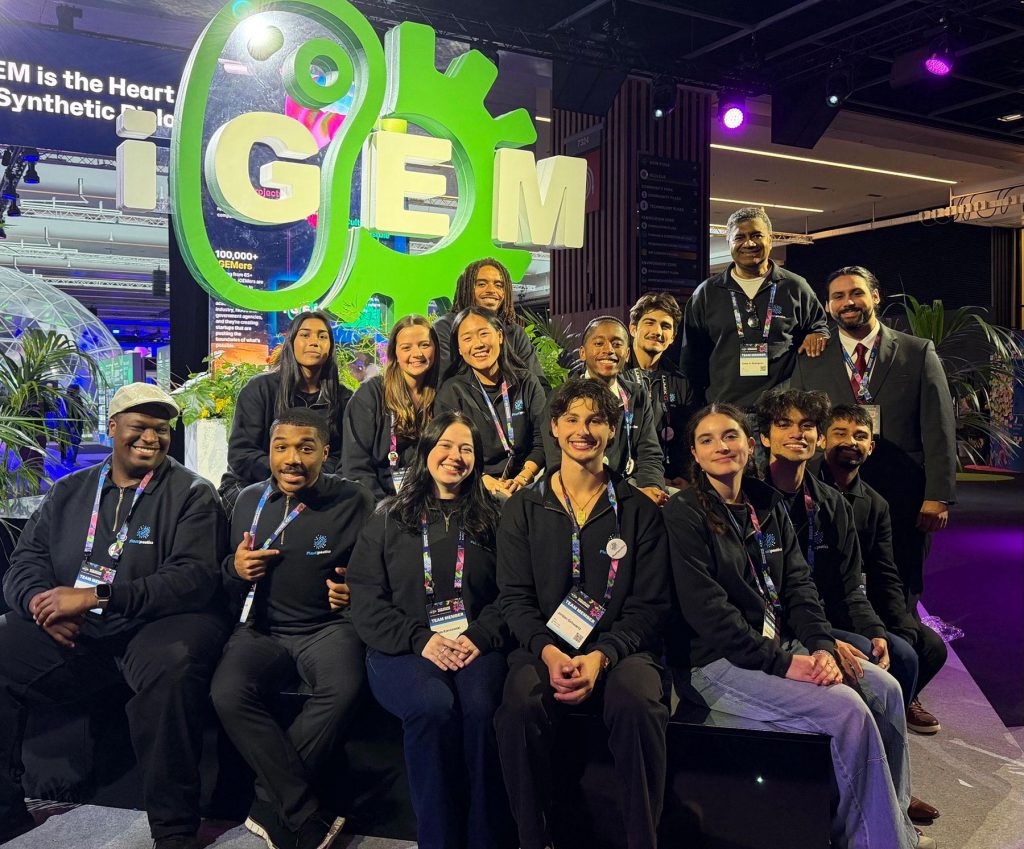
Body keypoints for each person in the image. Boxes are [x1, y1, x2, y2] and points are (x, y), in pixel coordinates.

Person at [663, 402, 932, 849]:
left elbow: (799, 587)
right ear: (694, 453)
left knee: (884, 689)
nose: (721, 446)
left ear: (750, 444)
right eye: (707, 440)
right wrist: (787, 664)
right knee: (847, 711)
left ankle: (894, 824)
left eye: (730, 435)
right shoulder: (684, 513)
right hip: (715, 663)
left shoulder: (766, 504)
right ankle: (879, 843)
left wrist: (821, 646)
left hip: (778, 645)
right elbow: (708, 613)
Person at [0, 383, 230, 849]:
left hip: (156, 625)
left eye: (161, 430)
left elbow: (192, 579)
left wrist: (95, 596)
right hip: (79, 632)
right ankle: (6, 813)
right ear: (112, 428)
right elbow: (24, 564)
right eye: (139, 426)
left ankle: (174, 831)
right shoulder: (69, 491)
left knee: (173, 666)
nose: (151, 438)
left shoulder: (194, 494)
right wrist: (42, 605)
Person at [495, 378, 669, 849]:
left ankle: (642, 841)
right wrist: (549, 652)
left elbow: (649, 605)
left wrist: (602, 655)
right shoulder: (524, 507)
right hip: (546, 647)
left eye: (595, 420)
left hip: (622, 650)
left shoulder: (638, 510)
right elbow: (514, 598)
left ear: (612, 430)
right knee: (519, 706)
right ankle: (534, 840)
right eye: (571, 419)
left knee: (637, 703)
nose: (583, 430)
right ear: (554, 427)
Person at [754, 389, 939, 825]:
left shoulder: (831, 503)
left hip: (814, 619)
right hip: (769, 628)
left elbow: (853, 583)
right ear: (763, 437)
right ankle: (866, 790)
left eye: (806, 426)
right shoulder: (748, 498)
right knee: (864, 680)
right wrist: (823, 641)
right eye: (784, 424)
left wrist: (874, 630)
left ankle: (891, 791)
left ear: (817, 438)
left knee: (892, 664)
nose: (797, 433)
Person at [347, 412, 515, 849]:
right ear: (425, 452)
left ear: (477, 460)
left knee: (482, 708)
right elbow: (366, 597)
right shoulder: (388, 517)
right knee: (431, 706)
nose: (455, 457)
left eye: (466, 449)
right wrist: (420, 639)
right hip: (403, 649)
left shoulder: (497, 517)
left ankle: (487, 839)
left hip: (477, 645)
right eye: (445, 445)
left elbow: (514, 592)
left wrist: (481, 635)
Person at [211, 407, 374, 849]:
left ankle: (269, 799)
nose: (292, 459)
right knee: (227, 693)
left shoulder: (354, 500)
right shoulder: (247, 500)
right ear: (269, 451)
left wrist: (354, 592)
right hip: (260, 630)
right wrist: (235, 569)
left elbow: (376, 571)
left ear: (325, 452)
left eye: (305, 448)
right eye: (281, 447)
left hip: (327, 628)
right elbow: (222, 573)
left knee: (344, 689)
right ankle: (299, 808)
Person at [790, 266, 956, 612]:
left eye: (856, 293)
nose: (848, 302)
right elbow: (803, 426)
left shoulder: (917, 351)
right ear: (828, 305)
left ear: (875, 297)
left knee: (900, 582)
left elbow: (939, 428)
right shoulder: (811, 359)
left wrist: (938, 495)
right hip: (831, 492)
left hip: (903, 491)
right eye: (838, 296)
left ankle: (903, 639)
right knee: (834, 581)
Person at [821, 404, 948, 739]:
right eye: (840, 433)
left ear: (871, 447)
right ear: (822, 440)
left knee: (928, 647)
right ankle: (868, 727)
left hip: (857, 601)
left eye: (860, 436)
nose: (850, 442)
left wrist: (904, 627)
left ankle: (895, 707)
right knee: (895, 653)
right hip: (818, 605)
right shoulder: (805, 490)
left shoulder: (875, 504)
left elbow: (885, 572)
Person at [680, 207, 830, 409]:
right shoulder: (706, 293)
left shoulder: (795, 287)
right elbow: (691, 360)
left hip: (781, 411)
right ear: (729, 242)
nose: (749, 243)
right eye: (739, 237)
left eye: (756, 235)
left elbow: (819, 325)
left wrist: (818, 333)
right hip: (725, 411)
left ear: (770, 239)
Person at [219, 310, 352, 510]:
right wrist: (288, 472)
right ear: (291, 343)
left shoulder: (343, 398)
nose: (314, 342)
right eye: (305, 335)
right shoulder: (260, 389)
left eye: (322, 336)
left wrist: (310, 476)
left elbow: (342, 457)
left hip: (317, 484)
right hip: (253, 483)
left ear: (331, 346)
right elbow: (242, 455)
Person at [544, 316, 667, 506]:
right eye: (599, 343)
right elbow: (555, 458)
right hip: (578, 489)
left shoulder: (637, 396)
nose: (608, 350)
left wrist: (650, 487)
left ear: (627, 354)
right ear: (582, 353)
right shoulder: (560, 396)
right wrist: (613, 494)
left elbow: (649, 454)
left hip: (630, 486)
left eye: (616, 344)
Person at [435, 307, 546, 497]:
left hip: (524, 483)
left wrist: (522, 478)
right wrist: (484, 480)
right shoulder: (452, 392)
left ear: (500, 336)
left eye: (484, 334)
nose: (478, 344)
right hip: (472, 486)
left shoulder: (526, 382)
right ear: (459, 349)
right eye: (467, 338)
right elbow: (447, 450)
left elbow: (542, 439)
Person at [342, 315, 440, 500]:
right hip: (379, 501)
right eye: (406, 347)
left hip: (429, 500)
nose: (417, 353)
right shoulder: (370, 395)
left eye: (424, 345)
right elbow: (355, 468)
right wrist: (383, 509)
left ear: (435, 349)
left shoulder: (442, 393)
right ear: (395, 353)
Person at [622, 293, 697, 489]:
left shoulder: (680, 382)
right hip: (624, 479)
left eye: (665, 326)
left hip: (672, 481)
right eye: (649, 323)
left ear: (672, 337)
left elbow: (687, 437)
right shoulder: (615, 375)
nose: (657, 331)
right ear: (633, 329)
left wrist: (685, 476)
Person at [433, 257, 547, 385]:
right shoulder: (445, 327)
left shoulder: (515, 332)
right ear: (466, 288)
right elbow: (442, 381)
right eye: (482, 284)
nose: (492, 290)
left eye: (499, 285)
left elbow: (538, 382)